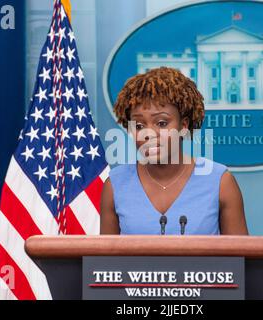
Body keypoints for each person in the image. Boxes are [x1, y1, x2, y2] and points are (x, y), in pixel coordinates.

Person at [100, 67, 248, 235]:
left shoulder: (220, 182)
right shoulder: (115, 185)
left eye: (162, 123)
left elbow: (241, 258)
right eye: (139, 126)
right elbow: (104, 260)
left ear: (183, 126)